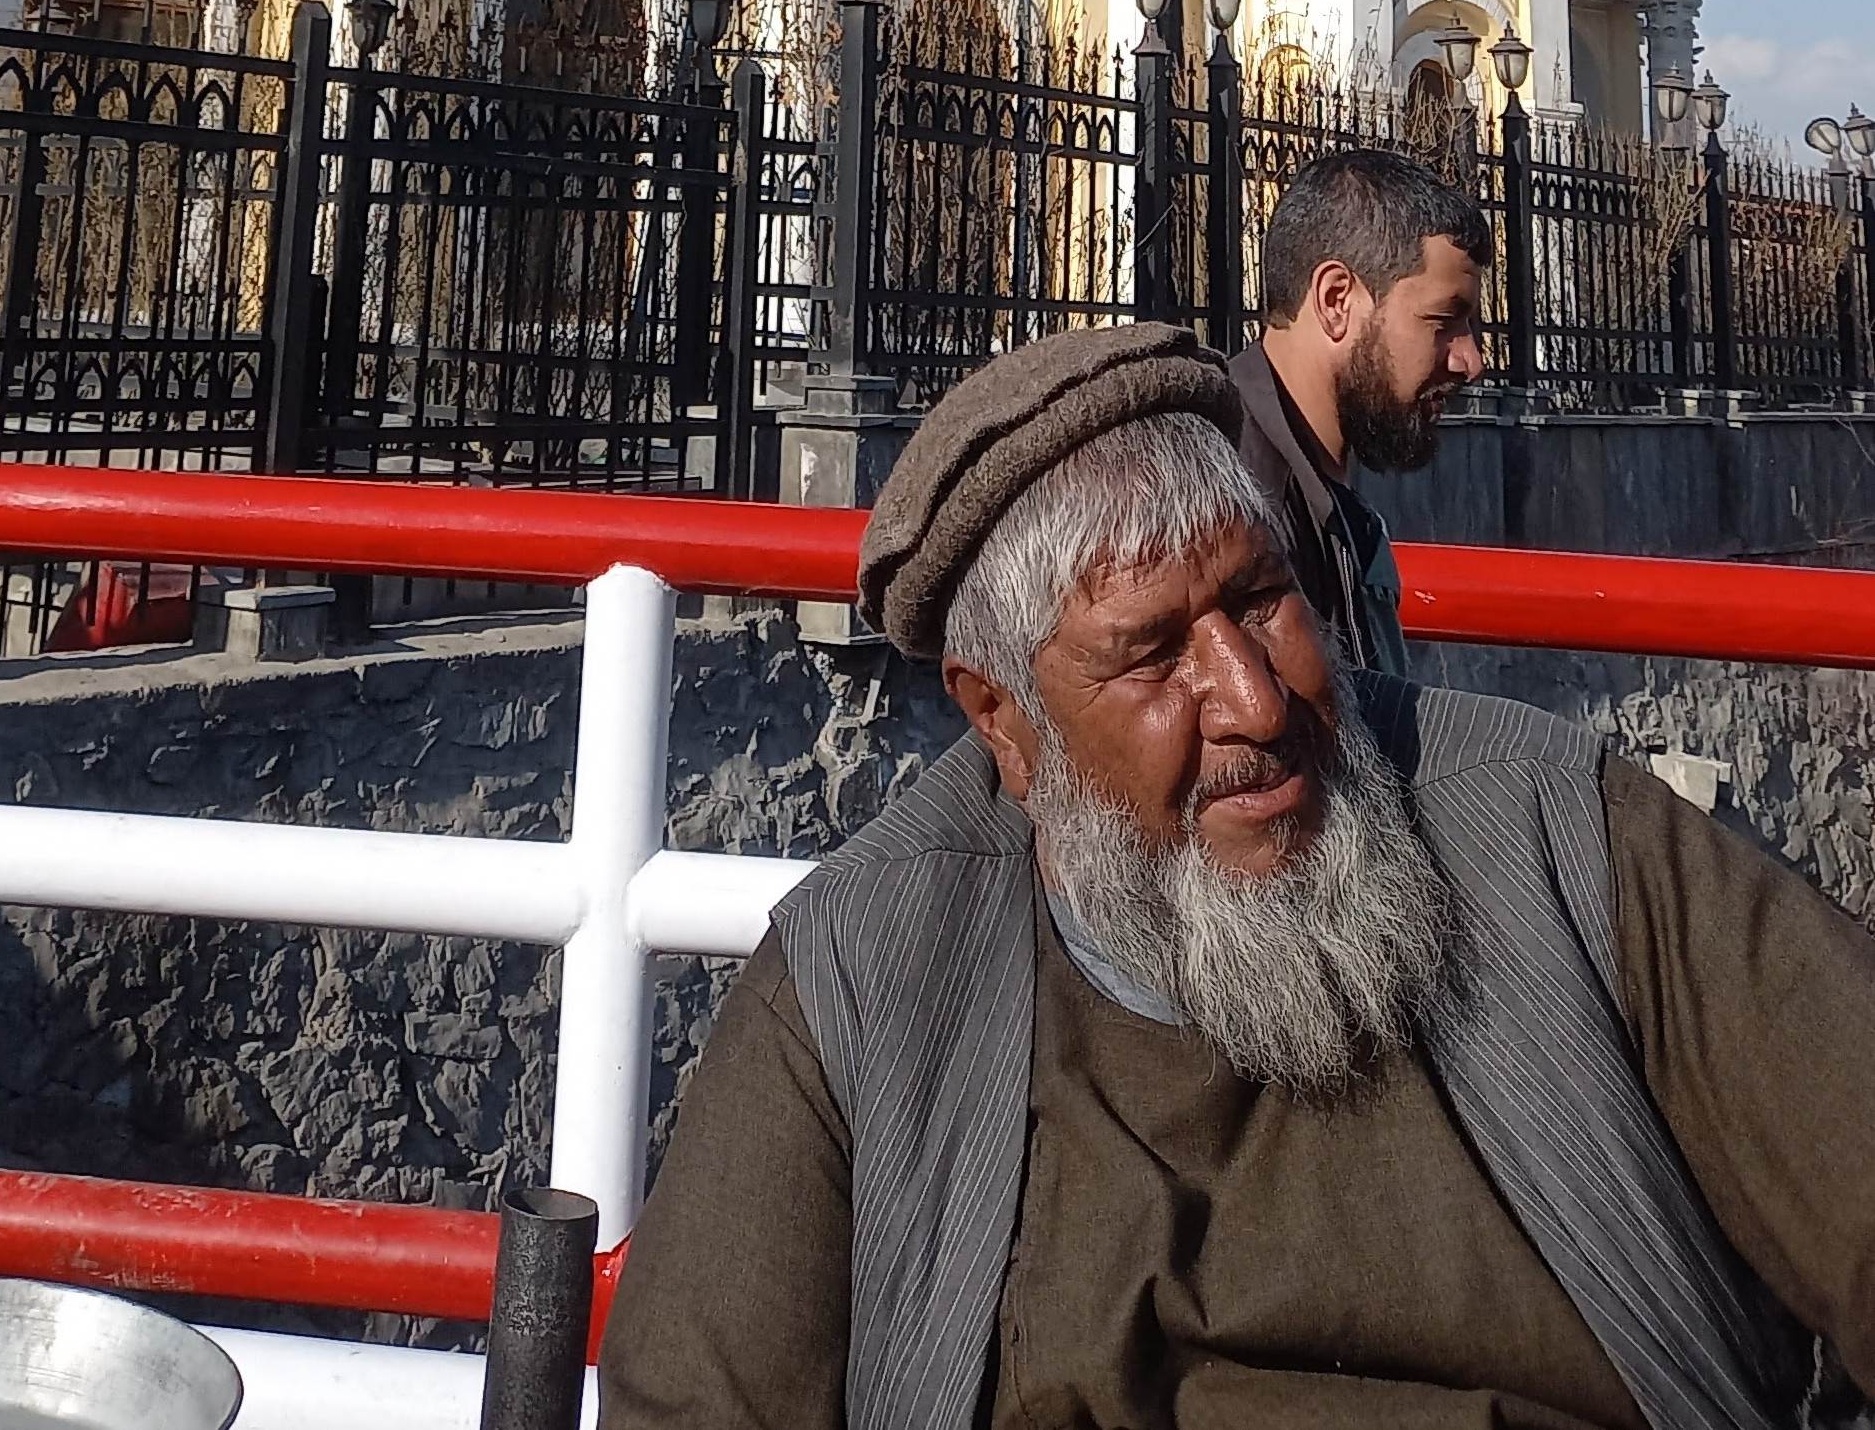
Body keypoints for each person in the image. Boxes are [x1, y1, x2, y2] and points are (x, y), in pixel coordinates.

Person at [601, 323, 1875, 1430]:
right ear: (1003, 723)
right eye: (1152, 656)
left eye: (1264, 599)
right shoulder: (863, 980)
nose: (1255, 700)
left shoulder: (1550, 830)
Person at [1230, 148, 1489, 671]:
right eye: (1443, 322)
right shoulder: (1238, 519)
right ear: (1335, 300)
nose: (1471, 362)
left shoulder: (1316, 499)